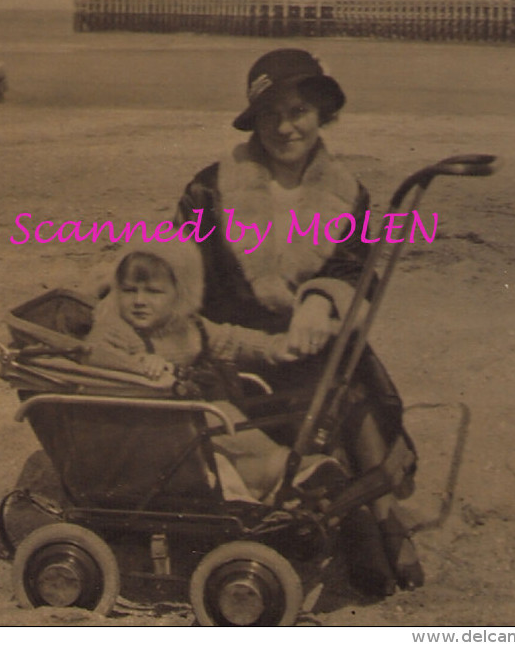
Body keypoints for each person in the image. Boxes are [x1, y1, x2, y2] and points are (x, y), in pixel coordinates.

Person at [174, 48, 423, 596]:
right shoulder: (211, 187)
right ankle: (369, 529)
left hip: (315, 341)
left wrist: (321, 302)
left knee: (353, 385)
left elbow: (355, 268)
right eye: (272, 115)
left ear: (322, 115)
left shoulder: (348, 192)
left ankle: (383, 518)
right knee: (335, 395)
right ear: (255, 121)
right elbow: (180, 264)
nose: (287, 128)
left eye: (300, 112)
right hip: (238, 349)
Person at [86, 239, 347, 504]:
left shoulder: (188, 327)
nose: (139, 301)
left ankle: (272, 477)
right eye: (129, 291)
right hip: (140, 433)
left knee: (225, 424)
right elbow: (95, 356)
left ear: (179, 293)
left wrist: (274, 347)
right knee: (213, 421)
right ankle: (280, 472)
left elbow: (231, 340)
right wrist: (137, 364)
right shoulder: (116, 329)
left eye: (153, 292)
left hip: (184, 428)